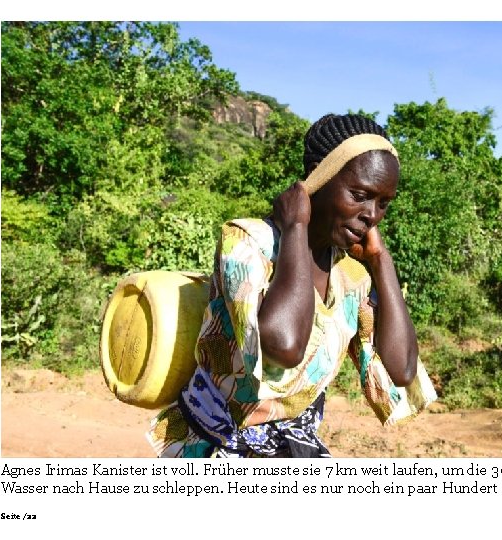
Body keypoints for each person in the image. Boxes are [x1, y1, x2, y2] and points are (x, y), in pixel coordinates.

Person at [147, 113, 436, 458]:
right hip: (217, 447)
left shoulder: (352, 277)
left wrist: (380, 262)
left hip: (293, 451)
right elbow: (283, 347)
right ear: (318, 177)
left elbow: (400, 370)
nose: (371, 214)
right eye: (359, 195)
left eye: (383, 203)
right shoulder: (248, 244)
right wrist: (297, 227)